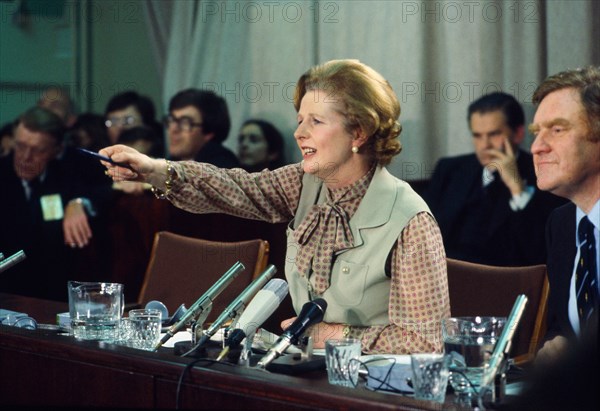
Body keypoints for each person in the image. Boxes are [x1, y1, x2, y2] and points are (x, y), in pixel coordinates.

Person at [101, 60, 450, 354]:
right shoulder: (303, 182)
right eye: (300, 120)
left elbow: (425, 341)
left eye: (316, 121)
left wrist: (336, 335)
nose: (299, 133)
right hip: (309, 374)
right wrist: (155, 169)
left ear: (358, 133)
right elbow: (236, 187)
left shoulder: (411, 220)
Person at [424, 92, 565, 266]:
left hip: (508, 281)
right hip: (446, 277)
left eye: (493, 134)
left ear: (518, 133)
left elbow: (541, 252)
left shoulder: (544, 170)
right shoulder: (449, 170)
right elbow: (424, 235)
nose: (485, 145)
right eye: (477, 135)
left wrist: (517, 188)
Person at [531, 66, 600, 365]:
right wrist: (556, 347)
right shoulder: (560, 225)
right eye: (537, 133)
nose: (536, 147)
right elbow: (563, 328)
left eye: (557, 130)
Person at [0, 107, 98, 300]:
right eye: (20, 146)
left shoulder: (66, 175)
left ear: (56, 150)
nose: (25, 157)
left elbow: (102, 190)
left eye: (37, 150)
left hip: (51, 296)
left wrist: (77, 203)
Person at [164, 89, 239, 167]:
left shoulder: (221, 167)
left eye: (185, 122)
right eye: (172, 119)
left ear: (208, 132)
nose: (173, 129)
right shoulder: (169, 163)